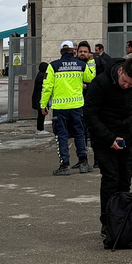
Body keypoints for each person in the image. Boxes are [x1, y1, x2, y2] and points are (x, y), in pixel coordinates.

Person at [83, 56, 132, 246]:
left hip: (126, 134)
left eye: (131, 84)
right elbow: (89, 114)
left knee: (125, 177)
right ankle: (108, 222)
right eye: (125, 82)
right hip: (104, 136)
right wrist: (108, 138)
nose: (127, 86)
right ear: (120, 71)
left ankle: (123, 217)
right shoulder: (101, 83)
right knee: (111, 178)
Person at [40, 40, 95, 176]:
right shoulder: (81, 64)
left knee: (62, 136)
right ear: (73, 51)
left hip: (60, 108)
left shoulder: (53, 66)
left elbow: (47, 88)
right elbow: (90, 78)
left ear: (60, 52)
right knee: (80, 134)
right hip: (77, 106)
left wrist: (43, 105)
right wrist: (91, 62)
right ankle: (83, 163)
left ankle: (65, 165)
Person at [32, 61, 49, 133]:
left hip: (38, 97)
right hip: (40, 98)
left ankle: (40, 128)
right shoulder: (42, 76)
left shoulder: (40, 75)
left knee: (41, 114)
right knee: (41, 114)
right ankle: (40, 129)